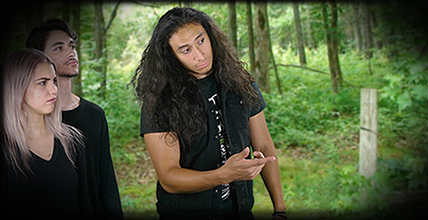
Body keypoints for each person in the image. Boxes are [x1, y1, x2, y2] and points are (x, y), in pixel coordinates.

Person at [129, 7, 287, 219]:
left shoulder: (241, 82)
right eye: (185, 50)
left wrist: (280, 210)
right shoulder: (159, 101)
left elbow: (265, 146)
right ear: (171, 57)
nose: (200, 54)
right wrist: (224, 175)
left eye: (201, 41)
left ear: (210, 36)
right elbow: (168, 177)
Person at [26, 19, 123, 219]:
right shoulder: (32, 120)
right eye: (59, 47)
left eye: (71, 45)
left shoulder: (95, 114)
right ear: (39, 57)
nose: (71, 52)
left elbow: (107, 183)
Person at [1, 49, 92, 219]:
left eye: (54, 81)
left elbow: (84, 205)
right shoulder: (6, 150)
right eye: (42, 82)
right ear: (17, 87)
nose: (54, 90)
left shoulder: (72, 140)